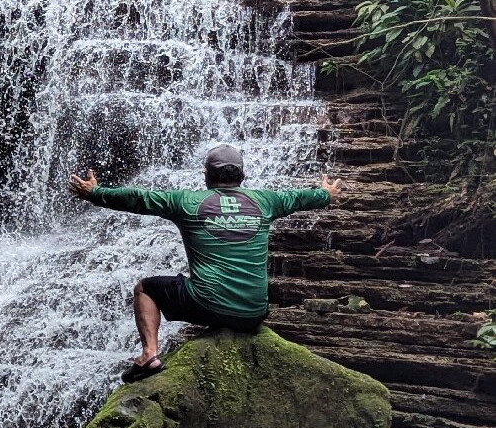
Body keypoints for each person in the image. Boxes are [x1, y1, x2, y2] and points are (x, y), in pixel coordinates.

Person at [68, 143, 345, 383]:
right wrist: (325, 194)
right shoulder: (266, 201)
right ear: (243, 176)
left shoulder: (186, 201)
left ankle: (150, 354)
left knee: (145, 289)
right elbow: (300, 197)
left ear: (206, 176)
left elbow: (139, 198)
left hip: (207, 305)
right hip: (253, 313)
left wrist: (96, 192)